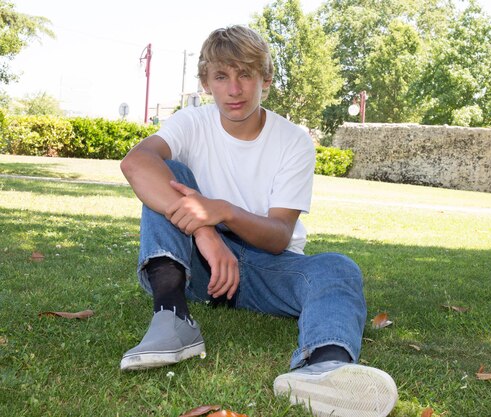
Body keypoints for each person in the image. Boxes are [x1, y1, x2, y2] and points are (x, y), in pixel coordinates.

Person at [119, 25, 397, 417]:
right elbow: (135, 163)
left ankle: (324, 365)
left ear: (265, 80)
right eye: (222, 76)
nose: (234, 89)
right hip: (200, 267)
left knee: (338, 268)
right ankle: (173, 319)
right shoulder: (191, 123)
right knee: (167, 173)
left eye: (245, 74)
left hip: (267, 270)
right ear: (206, 82)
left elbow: (279, 235)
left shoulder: (293, 141)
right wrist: (205, 229)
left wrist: (225, 210)